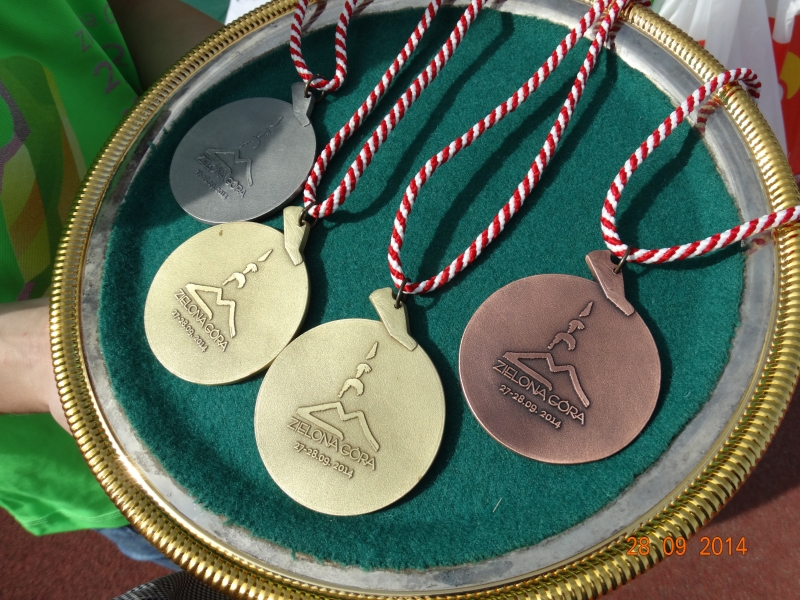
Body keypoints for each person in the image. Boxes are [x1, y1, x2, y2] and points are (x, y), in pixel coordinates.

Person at [0, 0, 223, 567]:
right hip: (99, 442)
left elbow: (116, 12)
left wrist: (247, 83)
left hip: (195, 210)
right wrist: (45, 356)